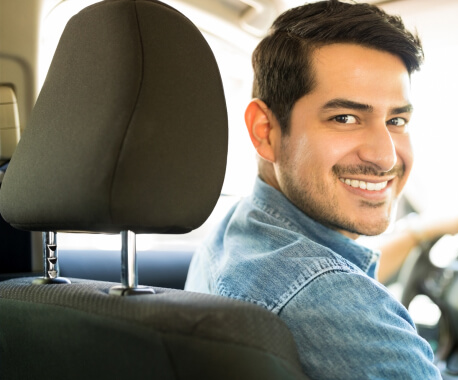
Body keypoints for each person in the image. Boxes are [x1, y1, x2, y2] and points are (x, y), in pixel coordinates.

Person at [186, 1, 441, 378]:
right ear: (265, 131)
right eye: (345, 118)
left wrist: (424, 231)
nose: (385, 157)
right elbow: (322, 287)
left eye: (396, 119)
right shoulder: (336, 302)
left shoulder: (241, 232)